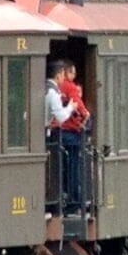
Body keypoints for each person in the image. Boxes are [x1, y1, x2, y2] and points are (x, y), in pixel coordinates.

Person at [46, 58, 91, 222]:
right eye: (71, 72)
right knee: (73, 169)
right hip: (70, 135)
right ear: (64, 73)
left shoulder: (50, 88)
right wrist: (79, 113)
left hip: (56, 135)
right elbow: (81, 111)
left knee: (58, 169)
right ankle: (72, 202)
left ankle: (58, 200)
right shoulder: (66, 88)